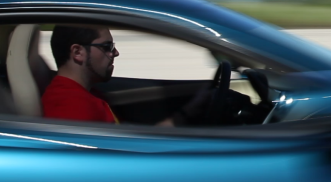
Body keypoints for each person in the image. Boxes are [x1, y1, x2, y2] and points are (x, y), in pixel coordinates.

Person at [42, 25, 207, 126]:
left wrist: (182, 117)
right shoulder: (72, 106)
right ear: (78, 52)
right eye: (107, 46)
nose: (115, 53)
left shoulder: (85, 94)